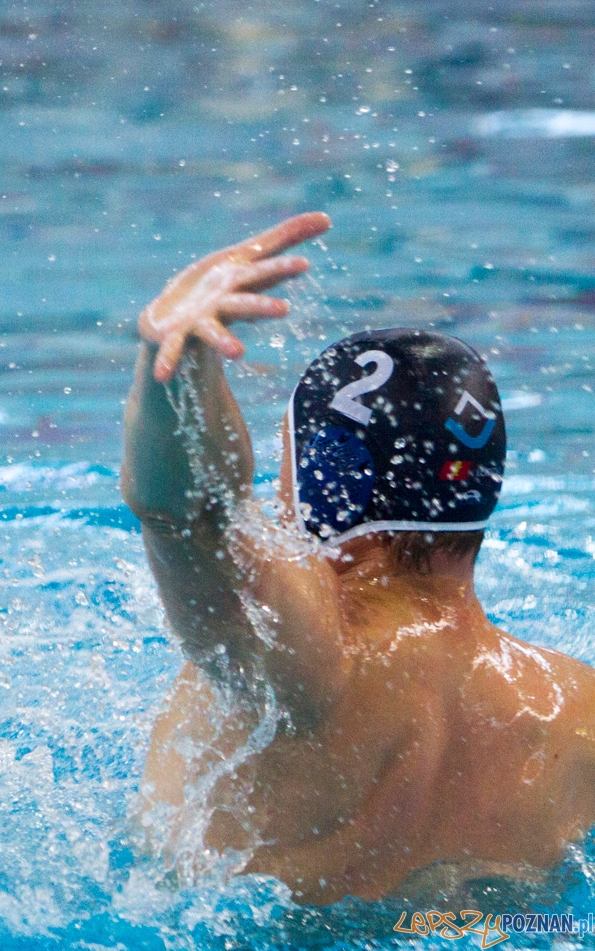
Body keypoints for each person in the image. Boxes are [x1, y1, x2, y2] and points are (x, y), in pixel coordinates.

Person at [122, 212, 595, 904]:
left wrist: (171, 368)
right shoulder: (576, 709)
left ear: (327, 486)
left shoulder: (314, 658)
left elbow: (190, 514)